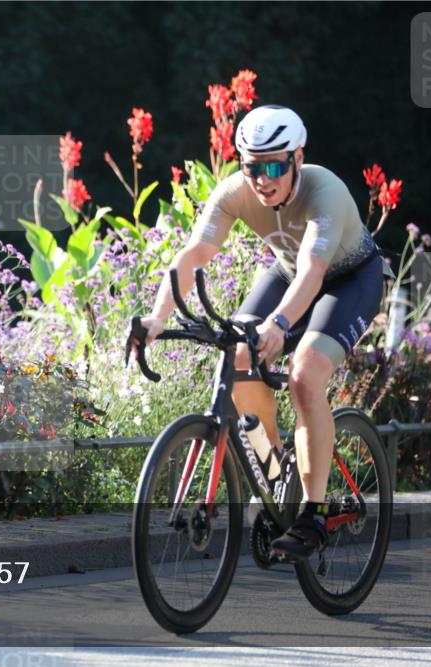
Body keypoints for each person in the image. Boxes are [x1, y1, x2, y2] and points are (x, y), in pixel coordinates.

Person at [131, 105, 392, 559]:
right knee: (238, 354)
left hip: (351, 280)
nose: (262, 178)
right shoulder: (235, 191)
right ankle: (276, 476)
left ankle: (313, 511)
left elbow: (313, 274)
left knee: (305, 372)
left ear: (297, 157)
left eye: (274, 166)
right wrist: (157, 318)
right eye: (251, 166)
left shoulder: (323, 191)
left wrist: (280, 324)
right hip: (288, 273)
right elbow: (194, 255)